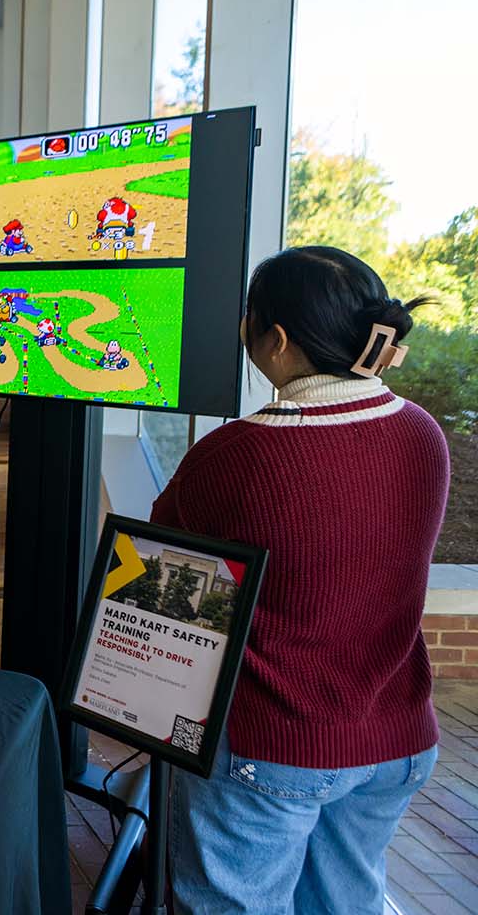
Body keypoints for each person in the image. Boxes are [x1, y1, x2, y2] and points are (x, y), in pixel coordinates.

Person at [154, 245, 448, 914]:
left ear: (276, 339)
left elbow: (161, 553)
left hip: (275, 743)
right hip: (396, 738)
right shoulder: (423, 434)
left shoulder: (240, 452)